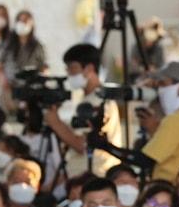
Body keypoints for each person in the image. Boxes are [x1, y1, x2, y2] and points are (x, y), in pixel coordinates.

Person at [97, 62, 179, 184]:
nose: (160, 91)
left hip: (168, 192)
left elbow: (144, 160)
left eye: (163, 84)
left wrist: (105, 145)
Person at [41, 43, 122, 179]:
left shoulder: (98, 101)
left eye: (73, 68)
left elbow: (81, 144)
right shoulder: (88, 98)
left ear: (89, 68)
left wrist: (55, 122)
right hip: (80, 173)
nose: (69, 74)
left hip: (93, 173)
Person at [0, 9, 48, 86]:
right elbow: (0, 64)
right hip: (9, 86)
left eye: (25, 20)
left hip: (31, 87)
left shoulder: (37, 46)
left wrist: (43, 81)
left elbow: (44, 66)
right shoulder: (8, 44)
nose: (22, 23)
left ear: (31, 23)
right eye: (20, 20)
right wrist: (3, 80)